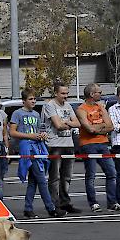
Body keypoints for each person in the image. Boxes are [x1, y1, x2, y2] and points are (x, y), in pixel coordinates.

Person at [10, 89, 66, 219]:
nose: (33, 101)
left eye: (34, 99)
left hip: (37, 147)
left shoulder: (36, 114)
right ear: (24, 101)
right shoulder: (17, 113)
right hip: (27, 148)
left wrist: (42, 135)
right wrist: (31, 136)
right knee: (41, 179)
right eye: (30, 99)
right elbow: (13, 132)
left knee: (33, 181)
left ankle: (28, 208)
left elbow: (40, 129)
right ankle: (51, 208)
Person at [75, 83, 120, 212]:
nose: (101, 94)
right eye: (99, 92)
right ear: (92, 94)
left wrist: (97, 128)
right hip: (88, 144)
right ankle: (93, 203)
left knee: (111, 172)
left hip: (103, 143)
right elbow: (88, 129)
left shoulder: (101, 107)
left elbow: (110, 126)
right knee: (91, 175)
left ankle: (112, 203)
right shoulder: (81, 109)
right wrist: (101, 127)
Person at [40, 83, 81, 214]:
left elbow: (78, 123)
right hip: (55, 144)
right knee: (55, 177)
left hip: (68, 144)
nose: (65, 96)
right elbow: (58, 125)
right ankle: (54, 204)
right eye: (63, 93)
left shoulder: (68, 106)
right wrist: (69, 123)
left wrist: (67, 123)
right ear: (56, 93)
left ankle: (65, 202)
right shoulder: (50, 105)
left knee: (67, 176)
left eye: (67, 93)